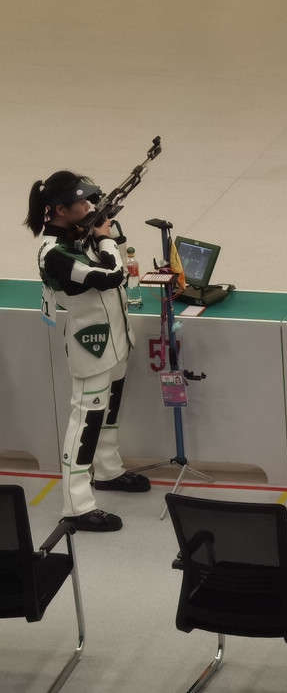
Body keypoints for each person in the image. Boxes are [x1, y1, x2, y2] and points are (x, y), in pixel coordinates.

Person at [24, 171, 150, 532]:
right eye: (82, 202)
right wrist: (104, 238)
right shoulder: (54, 254)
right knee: (86, 422)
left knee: (109, 411)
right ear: (60, 210)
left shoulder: (75, 234)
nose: (90, 206)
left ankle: (108, 470)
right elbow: (112, 276)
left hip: (116, 338)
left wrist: (96, 231)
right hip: (91, 344)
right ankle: (76, 505)